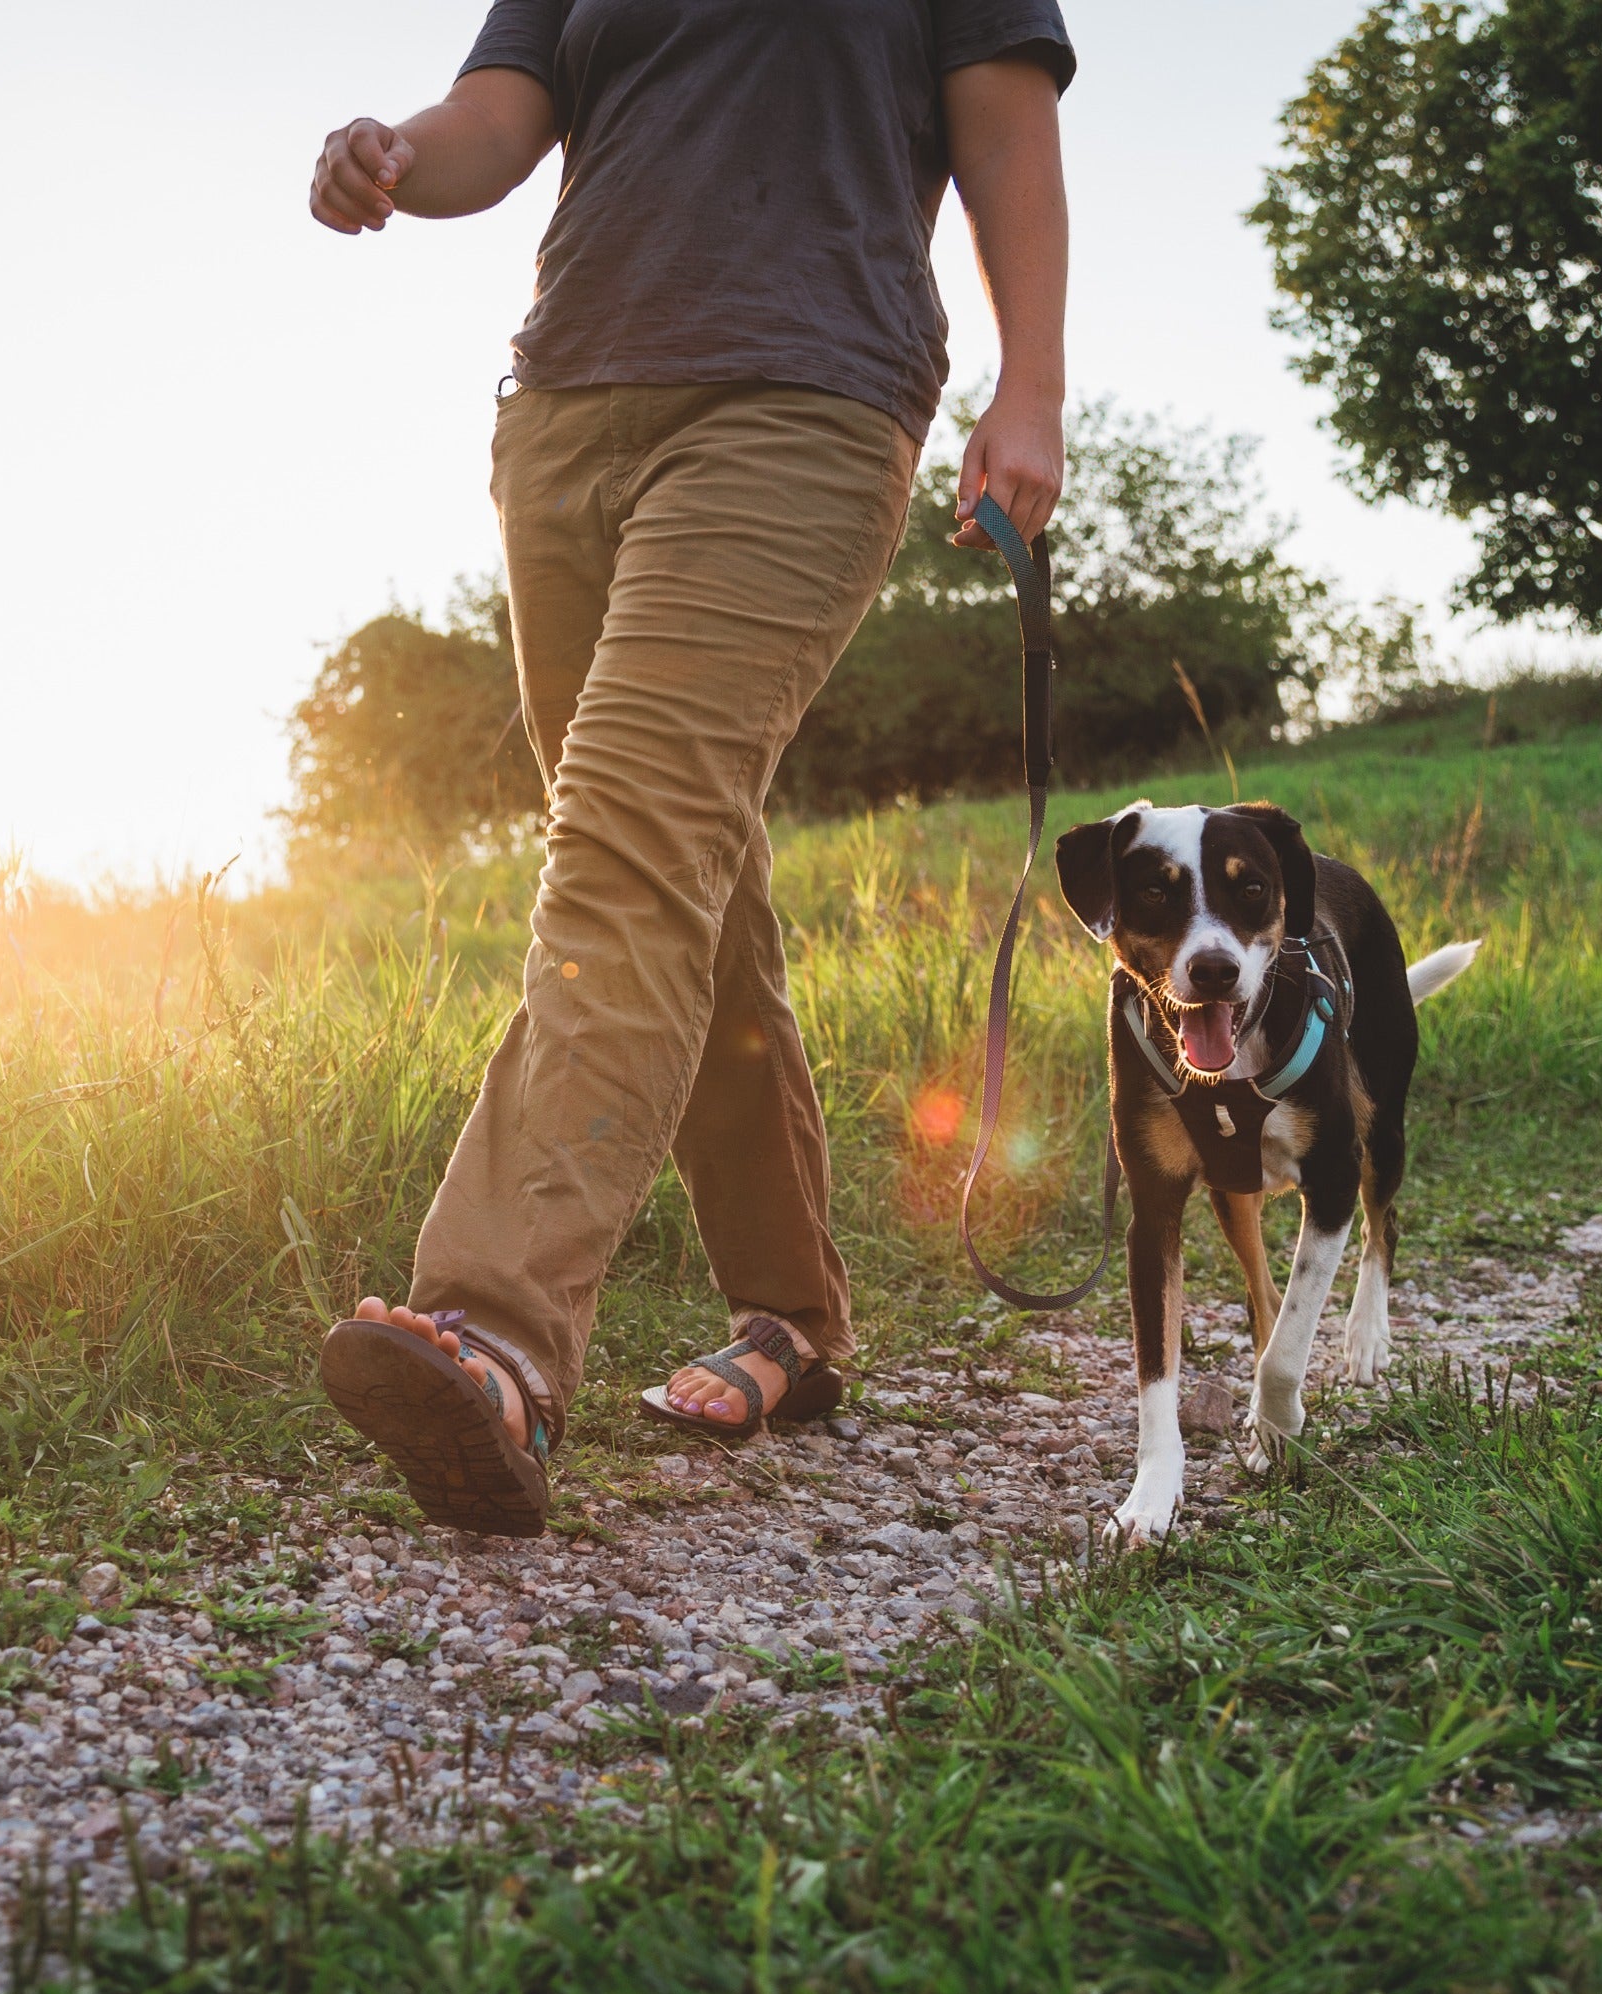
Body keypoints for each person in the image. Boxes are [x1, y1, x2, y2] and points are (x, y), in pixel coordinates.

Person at [311, 0, 1073, 1536]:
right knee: (682, 866)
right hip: (567, 406)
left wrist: (1032, 386)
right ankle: (792, 1321)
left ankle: (498, 1333)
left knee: (629, 841)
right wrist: (396, 155)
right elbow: (500, 124)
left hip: (807, 398)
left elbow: (1003, 127)